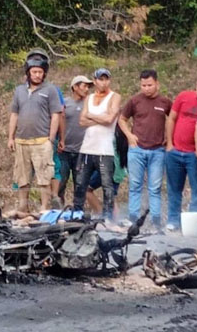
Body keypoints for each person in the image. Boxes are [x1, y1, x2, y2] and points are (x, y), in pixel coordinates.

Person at [8, 53, 63, 211]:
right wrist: (10, 137)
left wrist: (51, 139)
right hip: (21, 141)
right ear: (28, 72)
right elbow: (14, 114)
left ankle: (44, 207)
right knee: (22, 177)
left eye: (40, 72)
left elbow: (56, 115)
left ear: (44, 73)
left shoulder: (50, 90)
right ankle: (22, 207)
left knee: (44, 177)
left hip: (42, 141)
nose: (37, 75)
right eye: (34, 72)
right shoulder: (19, 90)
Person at [117, 69, 172, 228]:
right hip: (137, 149)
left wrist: (169, 138)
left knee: (155, 188)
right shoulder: (135, 101)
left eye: (149, 85)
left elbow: (173, 118)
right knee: (135, 185)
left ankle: (156, 221)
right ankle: (133, 218)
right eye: (143, 85)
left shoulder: (165, 102)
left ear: (157, 84)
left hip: (157, 150)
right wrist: (129, 135)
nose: (146, 88)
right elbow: (122, 119)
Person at [74, 68, 121, 221]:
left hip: (105, 149)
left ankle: (107, 218)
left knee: (107, 187)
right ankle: (77, 215)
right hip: (87, 147)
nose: (103, 82)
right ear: (94, 81)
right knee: (80, 184)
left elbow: (110, 120)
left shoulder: (114, 97)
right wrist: (101, 116)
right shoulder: (89, 98)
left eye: (106, 79)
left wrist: (91, 115)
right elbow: (81, 121)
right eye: (100, 79)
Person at [165, 78, 197, 232]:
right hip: (175, 151)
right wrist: (169, 143)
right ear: (196, 86)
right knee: (174, 188)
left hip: (194, 154)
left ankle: (193, 223)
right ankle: (173, 220)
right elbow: (172, 119)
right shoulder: (184, 97)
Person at [58, 75, 93, 203]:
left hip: (82, 151)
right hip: (64, 150)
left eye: (88, 86)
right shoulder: (64, 103)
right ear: (75, 87)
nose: (87, 89)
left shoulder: (90, 104)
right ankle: (58, 211)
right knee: (60, 183)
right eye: (84, 86)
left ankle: (78, 211)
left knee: (80, 184)